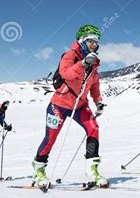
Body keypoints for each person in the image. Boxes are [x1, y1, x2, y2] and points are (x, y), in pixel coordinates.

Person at [32, 24, 107, 188]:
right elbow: (66, 73)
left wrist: (98, 101)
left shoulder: (94, 62)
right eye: (90, 41)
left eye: (96, 41)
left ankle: (92, 171)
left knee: (93, 128)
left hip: (80, 105)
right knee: (50, 139)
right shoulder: (70, 55)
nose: (94, 44)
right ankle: (39, 170)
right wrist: (82, 64)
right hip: (58, 105)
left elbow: (94, 85)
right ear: (81, 41)